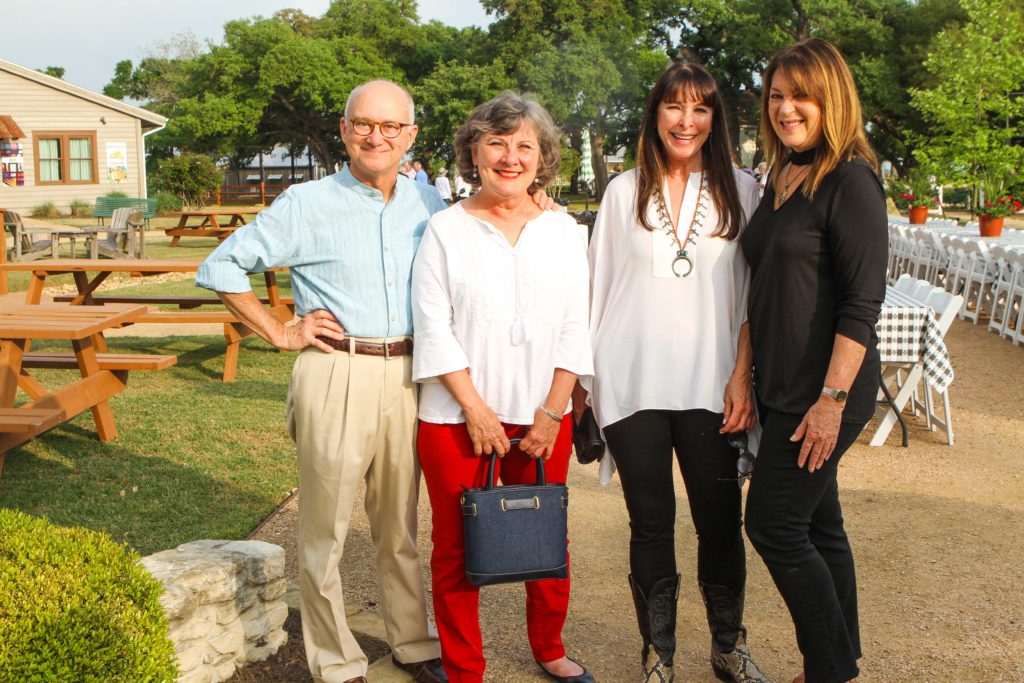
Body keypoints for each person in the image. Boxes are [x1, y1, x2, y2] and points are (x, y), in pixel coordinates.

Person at [196, 80, 449, 683]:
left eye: (391, 126)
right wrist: (280, 330)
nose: (377, 136)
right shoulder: (306, 203)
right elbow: (221, 265)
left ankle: (413, 643)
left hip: (410, 376)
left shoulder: (429, 204)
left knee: (400, 526)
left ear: (411, 134)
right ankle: (337, 661)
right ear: (344, 130)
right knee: (325, 531)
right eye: (364, 123)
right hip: (337, 368)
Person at [581, 61, 769, 683]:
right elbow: (597, 290)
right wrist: (587, 387)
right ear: (654, 113)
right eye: (674, 107)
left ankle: (726, 646)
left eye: (701, 109)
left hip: (712, 383)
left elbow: (750, 296)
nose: (685, 121)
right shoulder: (620, 190)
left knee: (720, 520)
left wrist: (743, 375)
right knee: (650, 520)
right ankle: (658, 652)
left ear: (716, 119)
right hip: (632, 380)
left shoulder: (742, 189)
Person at [411, 92, 596, 683]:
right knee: (455, 546)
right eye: (496, 143)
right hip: (455, 418)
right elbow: (432, 326)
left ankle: (549, 646)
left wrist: (551, 411)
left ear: (543, 157)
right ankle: (465, 668)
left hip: (543, 413)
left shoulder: (566, 231)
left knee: (545, 532)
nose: (510, 157)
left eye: (524, 146)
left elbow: (576, 324)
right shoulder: (443, 229)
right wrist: (476, 410)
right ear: (473, 151)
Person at [740, 38, 886, 683]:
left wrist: (830, 403)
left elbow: (861, 304)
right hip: (780, 385)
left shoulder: (850, 179)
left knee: (772, 524)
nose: (786, 108)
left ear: (832, 99)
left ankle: (827, 670)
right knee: (820, 525)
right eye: (776, 95)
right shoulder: (780, 175)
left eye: (801, 96)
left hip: (824, 392)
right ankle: (841, 658)